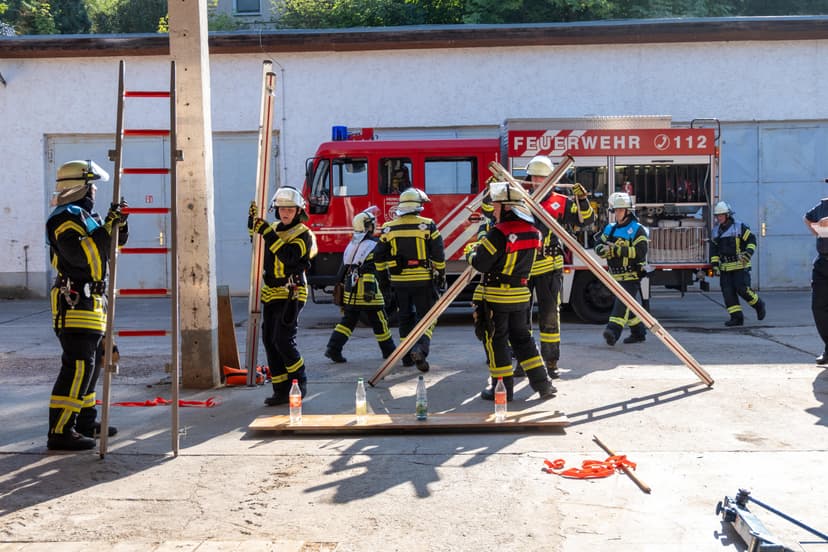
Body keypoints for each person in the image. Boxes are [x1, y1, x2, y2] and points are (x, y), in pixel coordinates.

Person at [46, 159, 128, 450]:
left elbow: (108, 247)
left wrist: (119, 223)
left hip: (93, 302)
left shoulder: (84, 216)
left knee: (92, 366)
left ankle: (84, 422)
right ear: (79, 187)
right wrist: (107, 227)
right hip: (75, 302)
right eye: (91, 185)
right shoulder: (64, 217)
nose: (94, 190)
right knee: (78, 366)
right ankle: (59, 431)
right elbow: (84, 254)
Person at [466, 181, 557, 401]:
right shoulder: (535, 233)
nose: (493, 209)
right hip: (521, 296)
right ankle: (543, 385)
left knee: (496, 340)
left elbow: (481, 264)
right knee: (523, 340)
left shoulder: (498, 233)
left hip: (496, 297)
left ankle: (502, 390)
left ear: (508, 208)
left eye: (497, 206)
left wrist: (471, 251)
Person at [524, 155, 594, 378]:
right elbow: (491, 214)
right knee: (520, 318)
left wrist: (582, 200)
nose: (539, 181)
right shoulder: (520, 200)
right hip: (522, 268)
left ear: (552, 179)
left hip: (549, 267)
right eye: (535, 176)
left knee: (549, 317)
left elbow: (587, 222)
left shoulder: (562, 201)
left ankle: (551, 362)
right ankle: (523, 361)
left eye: (543, 177)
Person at [248, 186, 317, 406]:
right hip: (270, 292)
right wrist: (253, 224)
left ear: (298, 211)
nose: (285, 213)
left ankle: (300, 381)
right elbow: (257, 245)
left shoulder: (304, 234)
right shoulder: (274, 228)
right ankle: (280, 389)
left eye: (290, 209)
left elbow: (290, 258)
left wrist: (267, 232)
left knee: (283, 340)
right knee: (269, 341)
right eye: (281, 209)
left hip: (292, 292)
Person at [373, 187, 446, 373]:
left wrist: (384, 281)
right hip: (423, 281)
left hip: (399, 282)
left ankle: (406, 357)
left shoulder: (388, 227)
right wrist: (441, 275)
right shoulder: (428, 225)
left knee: (405, 317)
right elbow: (438, 254)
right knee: (428, 317)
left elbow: (378, 257)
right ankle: (420, 349)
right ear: (419, 206)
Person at [324, 208, 396, 362]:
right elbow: (371, 268)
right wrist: (372, 290)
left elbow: (344, 268)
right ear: (368, 227)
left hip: (351, 289)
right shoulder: (374, 244)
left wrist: (341, 286)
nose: (373, 226)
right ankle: (389, 352)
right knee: (380, 321)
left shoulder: (352, 244)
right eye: (371, 224)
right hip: (368, 290)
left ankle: (333, 348)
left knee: (348, 321)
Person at [595, 192, 649, 345]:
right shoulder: (610, 229)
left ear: (627, 211)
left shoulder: (637, 229)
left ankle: (612, 331)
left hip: (631, 275)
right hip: (615, 276)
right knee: (629, 306)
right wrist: (601, 249)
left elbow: (640, 252)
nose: (617, 213)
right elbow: (598, 244)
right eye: (616, 210)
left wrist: (617, 250)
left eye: (620, 210)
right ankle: (638, 333)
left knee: (621, 304)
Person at [709, 201, 766, 327]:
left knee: (742, 290)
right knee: (728, 293)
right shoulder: (715, 232)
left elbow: (751, 240)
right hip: (725, 268)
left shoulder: (739, 227)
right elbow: (713, 250)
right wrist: (714, 265)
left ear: (728, 215)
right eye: (717, 216)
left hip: (740, 266)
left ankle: (759, 304)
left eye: (721, 215)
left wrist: (748, 253)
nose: (719, 218)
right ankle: (736, 318)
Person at [804, 198, 828, 364]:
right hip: (823, 263)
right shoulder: (823, 205)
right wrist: (817, 229)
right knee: (818, 307)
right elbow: (807, 217)